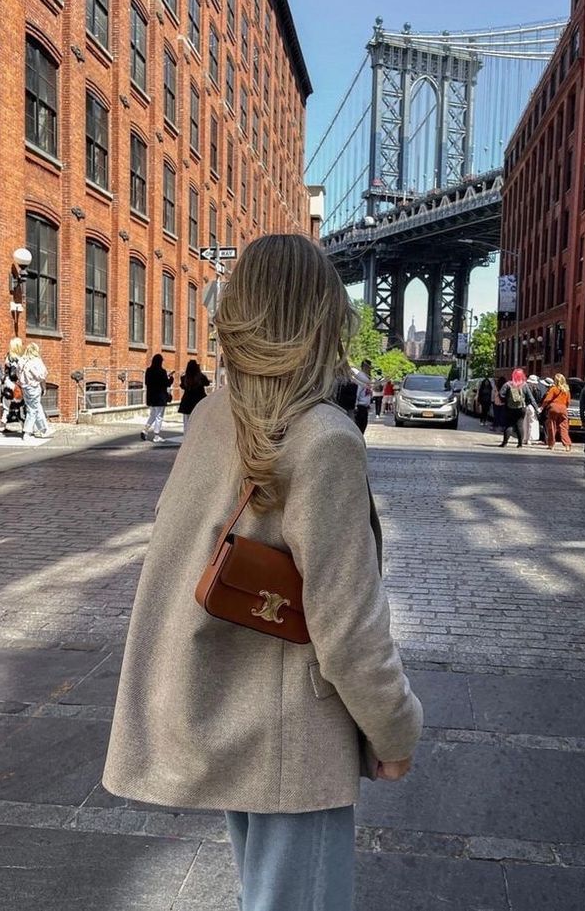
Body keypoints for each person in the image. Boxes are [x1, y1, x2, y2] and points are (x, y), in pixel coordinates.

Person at [102, 234, 423, 911]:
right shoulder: (324, 439)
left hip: (230, 709)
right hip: (294, 734)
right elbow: (349, 625)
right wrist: (394, 728)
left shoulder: (215, 417)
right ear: (320, 319)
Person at [18, 342, 52, 439]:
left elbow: (17, 373)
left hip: (24, 387)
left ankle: (44, 429)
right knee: (32, 409)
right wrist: (43, 385)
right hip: (33, 387)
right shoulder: (36, 361)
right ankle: (27, 431)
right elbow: (41, 375)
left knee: (36, 407)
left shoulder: (22, 360)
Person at [499, 368, 535, 448]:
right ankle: (520, 444)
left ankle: (504, 443)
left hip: (510, 408)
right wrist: (536, 408)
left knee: (509, 425)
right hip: (521, 408)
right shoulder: (524, 385)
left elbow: (501, 394)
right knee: (520, 425)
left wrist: (505, 401)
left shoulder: (508, 384)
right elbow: (531, 398)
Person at [142, 353, 174, 443]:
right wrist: (170, 378)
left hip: (151, 398)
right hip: (160, 398)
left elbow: (147, 382)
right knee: (159, 417)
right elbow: (166, 383)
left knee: (152, 415)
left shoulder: (148, 370)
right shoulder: (162, 371)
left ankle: (145, 430)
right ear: (160, 362)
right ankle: (156, 436)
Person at [0, 337, 24, 433]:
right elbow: (18, 372)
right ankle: (24, 426)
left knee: (6, 406)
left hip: (7, 383)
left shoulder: (8, 356)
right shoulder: (19, 358)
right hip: (15, 384)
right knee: (20, 404)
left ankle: (2, 426)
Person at [540, 373, 572, 451]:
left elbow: (547, 399)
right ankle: (567, 445)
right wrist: (565, 407)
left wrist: (542, 407)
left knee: (552, 426)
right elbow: (568, 402)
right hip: (563, 409)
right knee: (564, 427)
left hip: (554, 408)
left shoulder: (553, 389)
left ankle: (551, 444)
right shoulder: (566, 390)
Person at [178, 359, 210, 433]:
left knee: (186, 422)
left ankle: (186, 438)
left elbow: (182, 386)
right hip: (198, 401)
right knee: (198, 420)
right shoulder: (200, 377)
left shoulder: (184, 378)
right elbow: (207, 383)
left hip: (187, 402)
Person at [522, 374, 543, 445]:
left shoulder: (524, 387)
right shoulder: (537, 390)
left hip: (525, 406)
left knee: (525, 423)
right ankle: (530, 439)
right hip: (532, 407)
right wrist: (537, 408)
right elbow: (537, 400)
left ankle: (524, 438)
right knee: (532, 423)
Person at [355, 359, 373, 434]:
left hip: (364, 407)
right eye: (368, 368)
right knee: (360, 428)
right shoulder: (361, 378)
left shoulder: (366, 378)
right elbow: (357, 392)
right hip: (360, 407)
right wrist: (355, 406)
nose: (369, 370)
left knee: (363, 426)